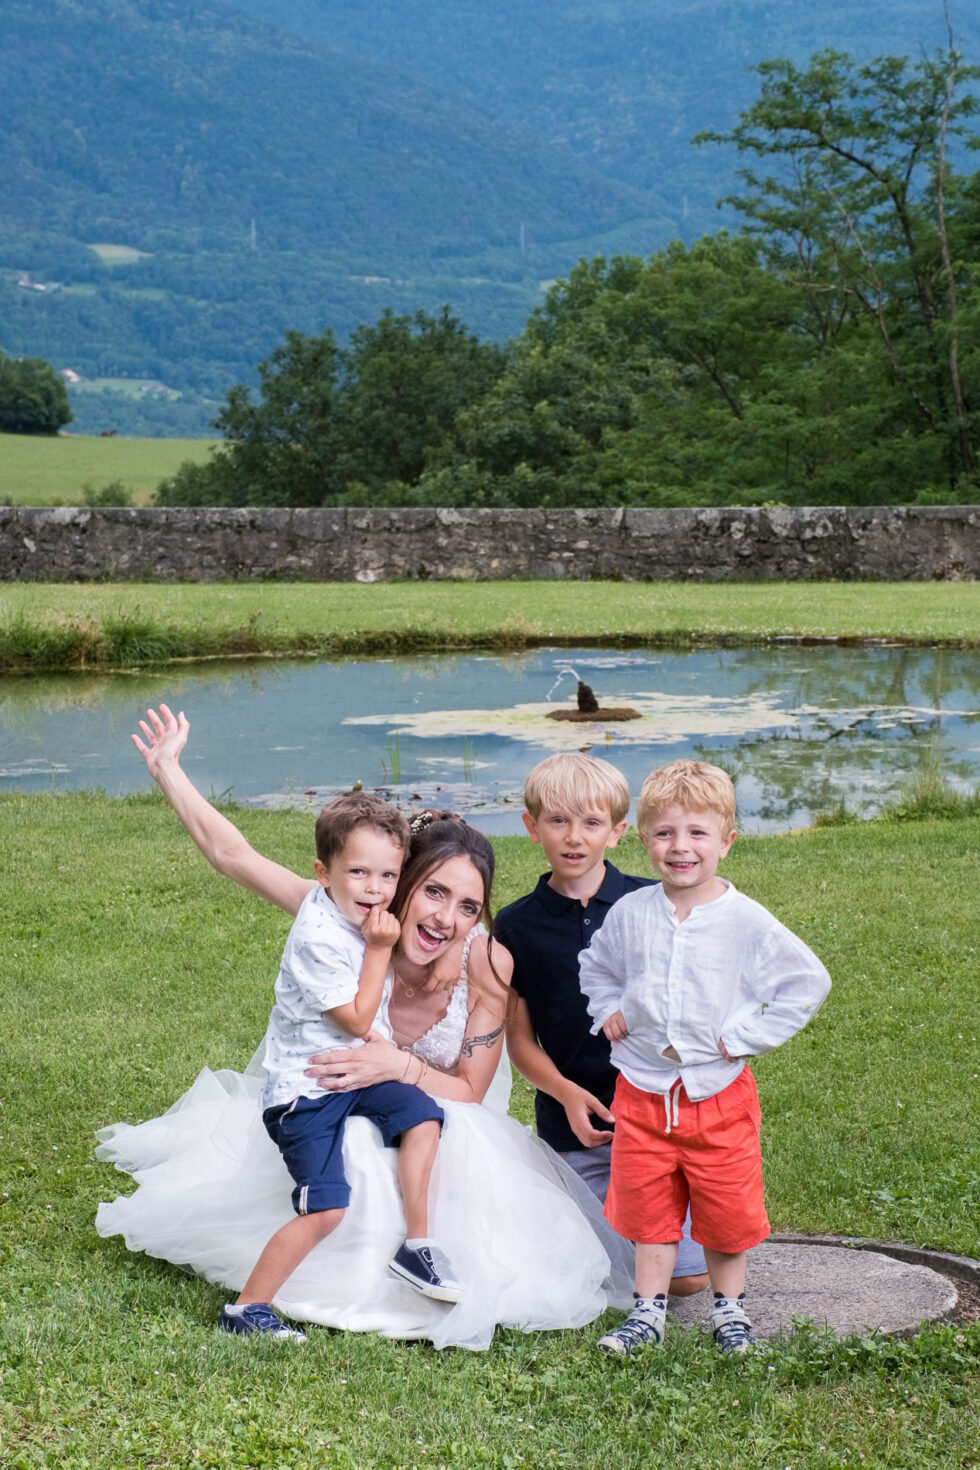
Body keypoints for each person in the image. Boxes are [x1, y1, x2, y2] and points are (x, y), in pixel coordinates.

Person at [96, 705, 630, 1352]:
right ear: (400, 887)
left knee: (409, 1134)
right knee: (347, 1140)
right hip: (328, 1100)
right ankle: (312, 1273)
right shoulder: (344, 917)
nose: (447, 919)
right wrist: (168, 769)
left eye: (468, 906)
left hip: (442, 1118)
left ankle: (416, 1255)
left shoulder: (486, 964)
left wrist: (397, 1065)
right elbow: (232, 855)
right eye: (434, 892)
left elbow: (468, 1089)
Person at [578, 758, 831, 1355]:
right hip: (642, 1092)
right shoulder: (631, 913)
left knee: (724, 1209)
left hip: (717, 1095)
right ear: (644, 839)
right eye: (665, 832)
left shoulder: (744, 920)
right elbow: (597, 966)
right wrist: (607, 1007)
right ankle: (648, 1314)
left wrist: (744, 1035)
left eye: (697, 833)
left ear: (726, 841)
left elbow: (807, 983)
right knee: (648, 1207)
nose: (680, 847)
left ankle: (730, 1312)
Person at [218, 789, 462, 1341]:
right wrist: (378, 950)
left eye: (387, 876)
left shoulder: (364, 910)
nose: (375, 890)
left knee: (422, 1114)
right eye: (358, 873)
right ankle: (247, 1308)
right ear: (322, 874)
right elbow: (354, 1019)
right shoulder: (318, 936)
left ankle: (417, 1245)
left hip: (356, 1074)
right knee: (326, 1209)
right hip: (307, 1091)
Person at [496, 753, 709, 1298]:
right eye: (558, 821)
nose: (574, 837)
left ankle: (674, 1208)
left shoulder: (654, 902)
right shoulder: (515, 926)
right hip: (574, 1128)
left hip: (658, 1118)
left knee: (688, 1280)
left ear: (616, 831)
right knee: (589, 1273)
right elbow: (519, 1041)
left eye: (591, 822)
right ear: (532, 827)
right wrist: (565, 1093)